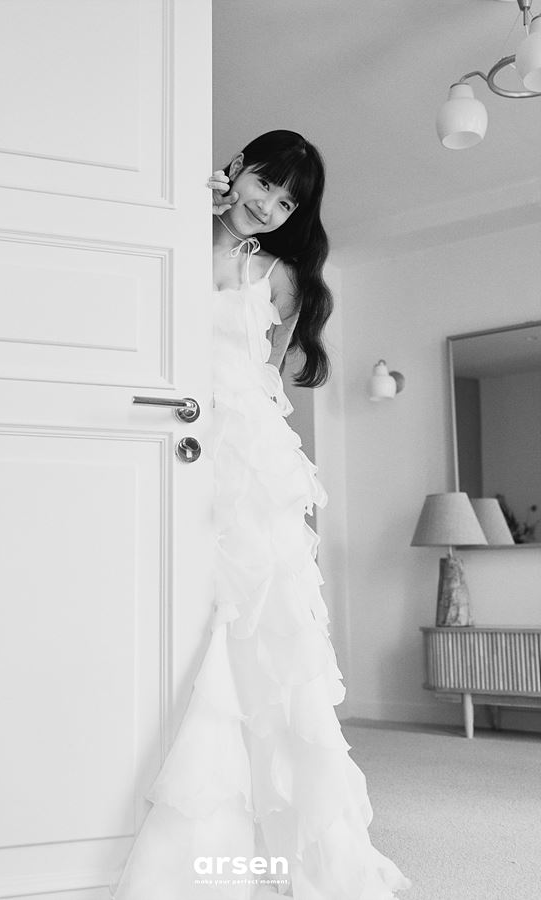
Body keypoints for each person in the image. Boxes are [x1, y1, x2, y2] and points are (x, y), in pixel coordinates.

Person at [110, 130, 411, 899]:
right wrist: (189, 211)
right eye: (264, 184)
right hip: (168, 435)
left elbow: (266, 383)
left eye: (286, 202)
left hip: (242, 452)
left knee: (255, 621)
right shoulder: (174, 229)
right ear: (236, 167)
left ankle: (256, 845)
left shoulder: (280, 277)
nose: (269, 206)